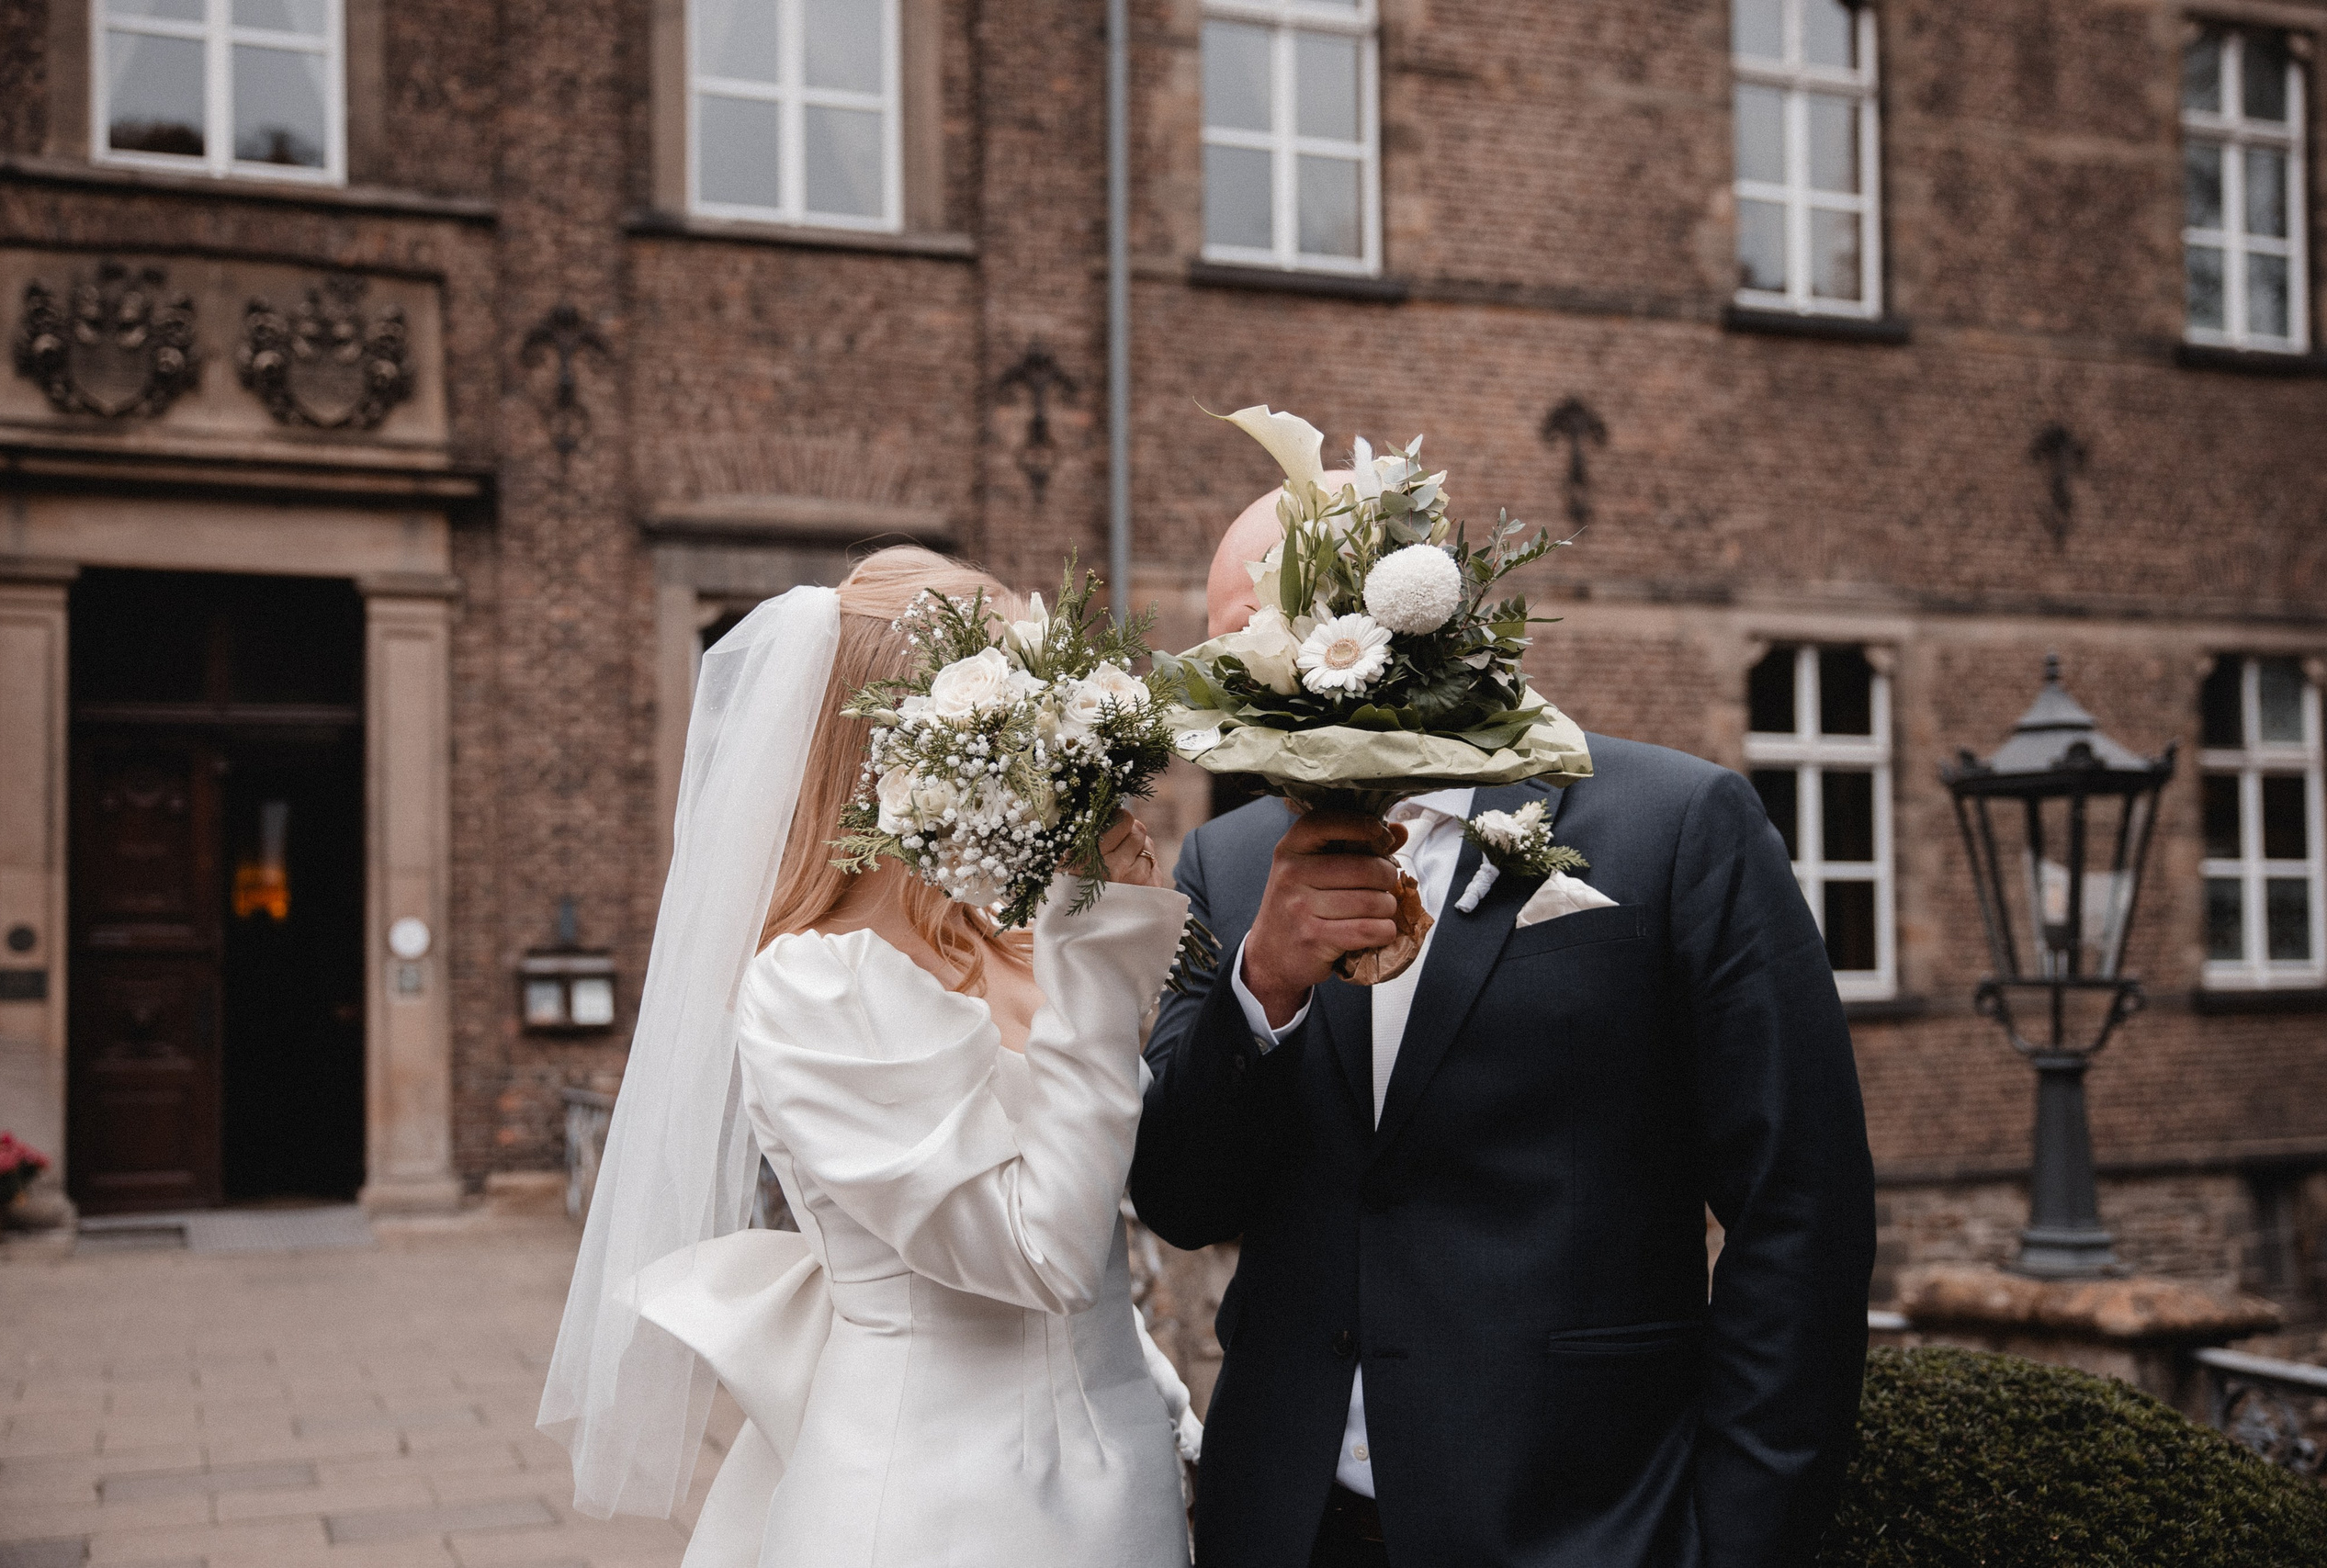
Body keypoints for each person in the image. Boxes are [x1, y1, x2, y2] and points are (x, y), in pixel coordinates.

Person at [1130, 489, 1879, 1568]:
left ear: (1375, 624)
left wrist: (1739, 1537)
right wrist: (1263, 987)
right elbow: (1181, 1199)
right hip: (1287, 1525)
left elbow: (1799, 1210)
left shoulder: (1674, 828)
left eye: (1246, 638)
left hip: (1584, 1523)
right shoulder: (1231, 863)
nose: (1227, 683)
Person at [540, 547, 1199, 1568]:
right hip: (949, 1502)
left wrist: (1143, 1375)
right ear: (914, 752)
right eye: (1030, 730)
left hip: (1116, 1472)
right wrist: (1099, 941)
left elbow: (1098, 1230)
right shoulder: (817, 988)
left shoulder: (1009, 936)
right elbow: (1043, 1253)